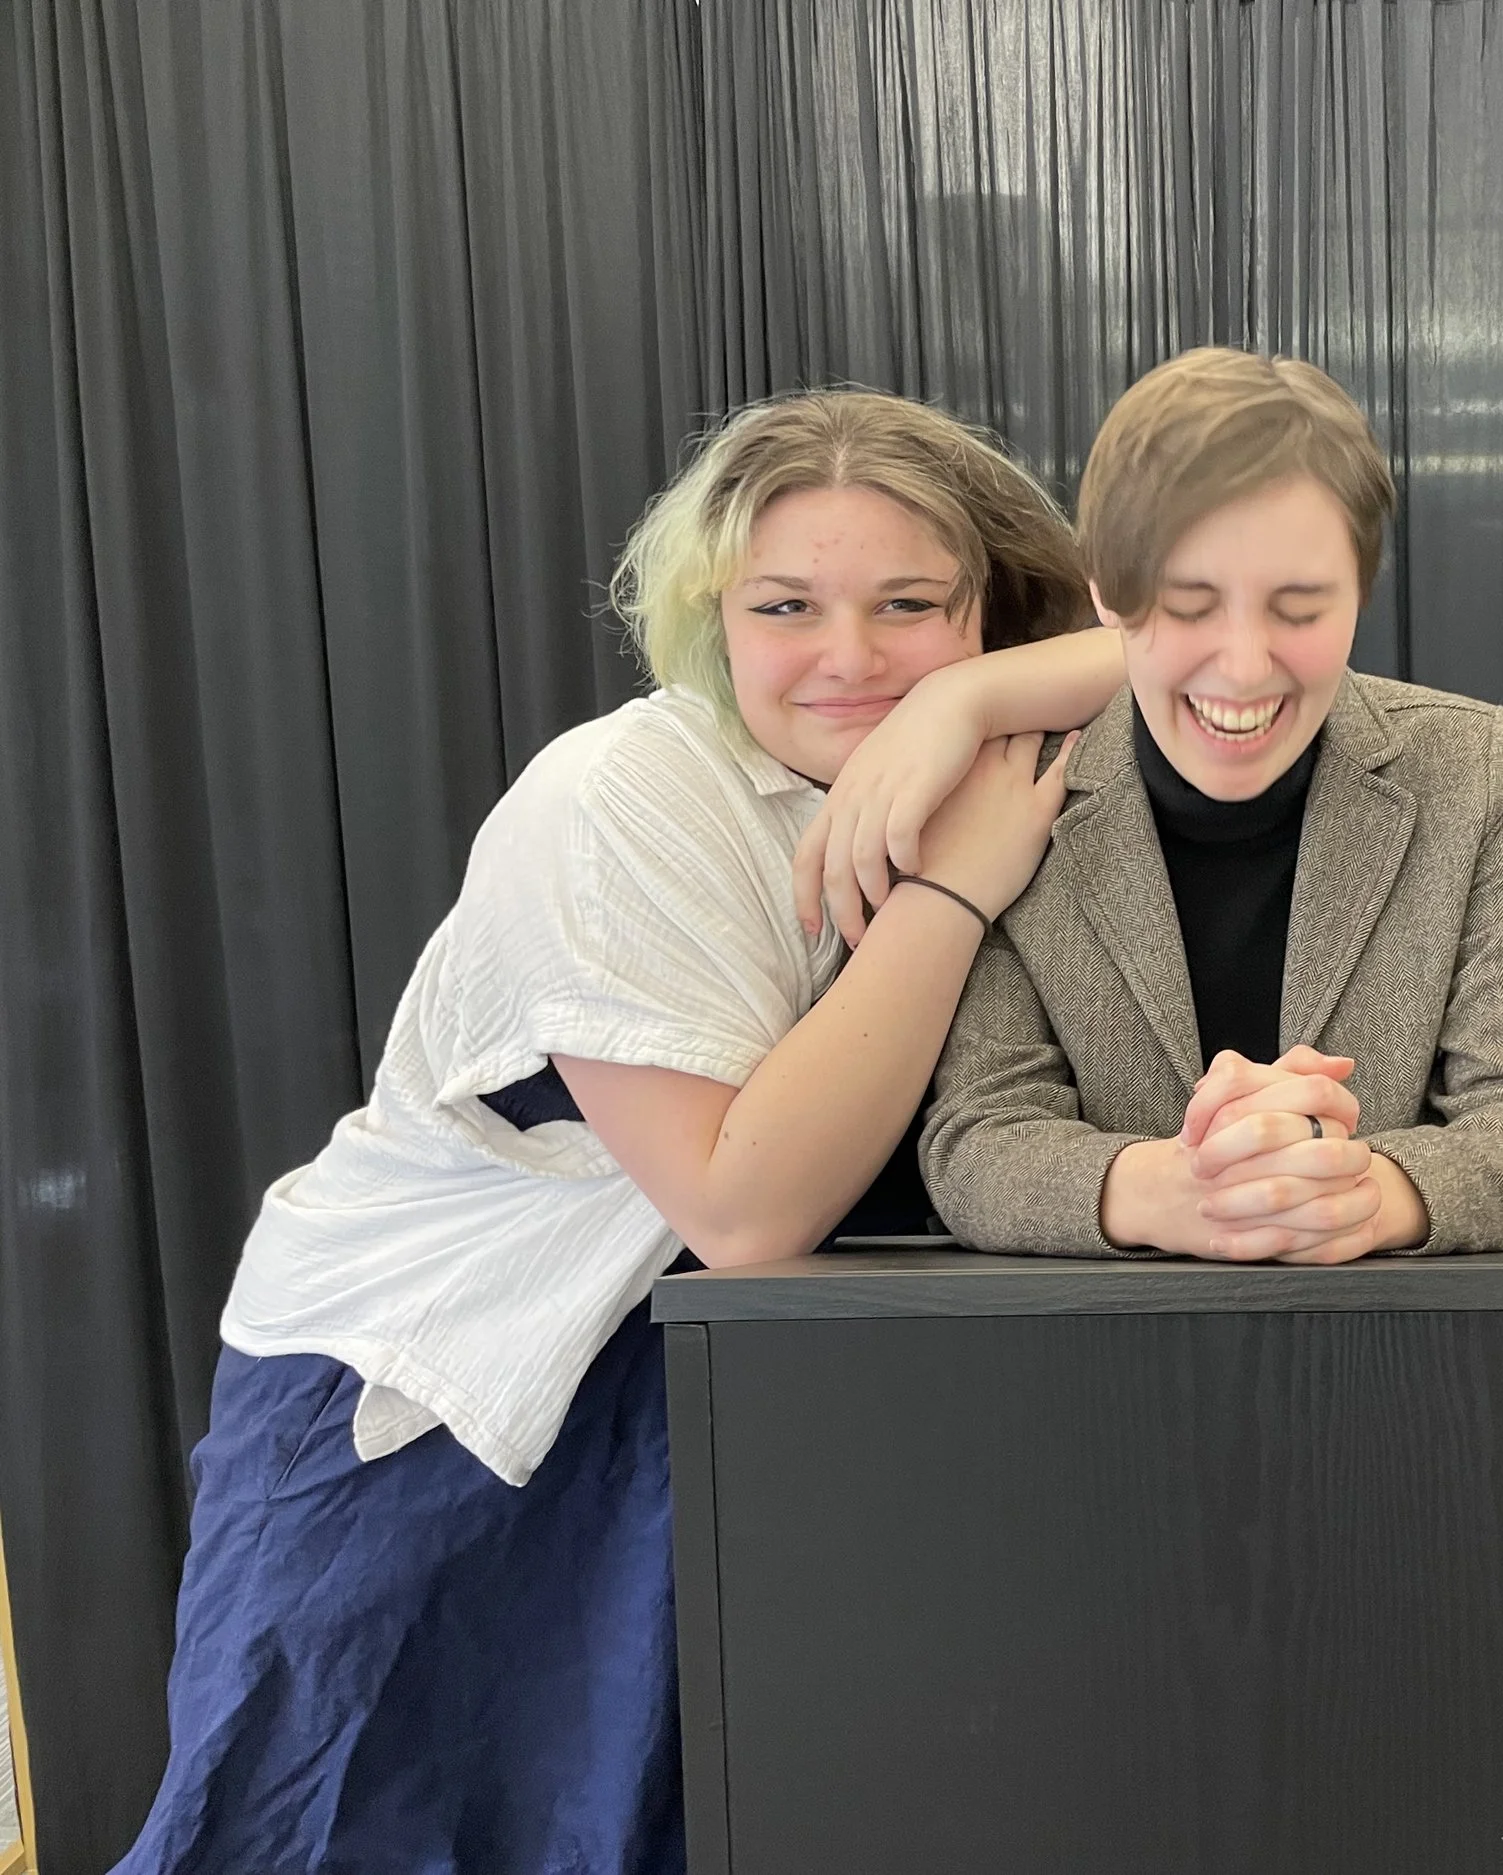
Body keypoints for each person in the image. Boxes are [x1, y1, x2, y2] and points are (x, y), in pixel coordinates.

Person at [113, 388, 1128, 1875]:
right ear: (713, 615)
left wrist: (967, 705)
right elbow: (741, 1206)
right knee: (328, 1831)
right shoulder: (621, 795)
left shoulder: (968, 750)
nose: (851, 657)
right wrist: (949, 891)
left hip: (665, 1379)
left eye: (909, 606)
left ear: (987, 611)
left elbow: (1209, 651)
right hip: (428, 1394)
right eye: (787, 606)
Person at [915, 347, 1503, 1262]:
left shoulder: (1470, 768)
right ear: (1106, 592)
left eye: (1300, 609)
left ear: (1361, 595)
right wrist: (1174, 1189)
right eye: (1189, 605)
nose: (1242, 665)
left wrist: (1346, 1191)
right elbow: (975, 1140)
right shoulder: (1015, 788)